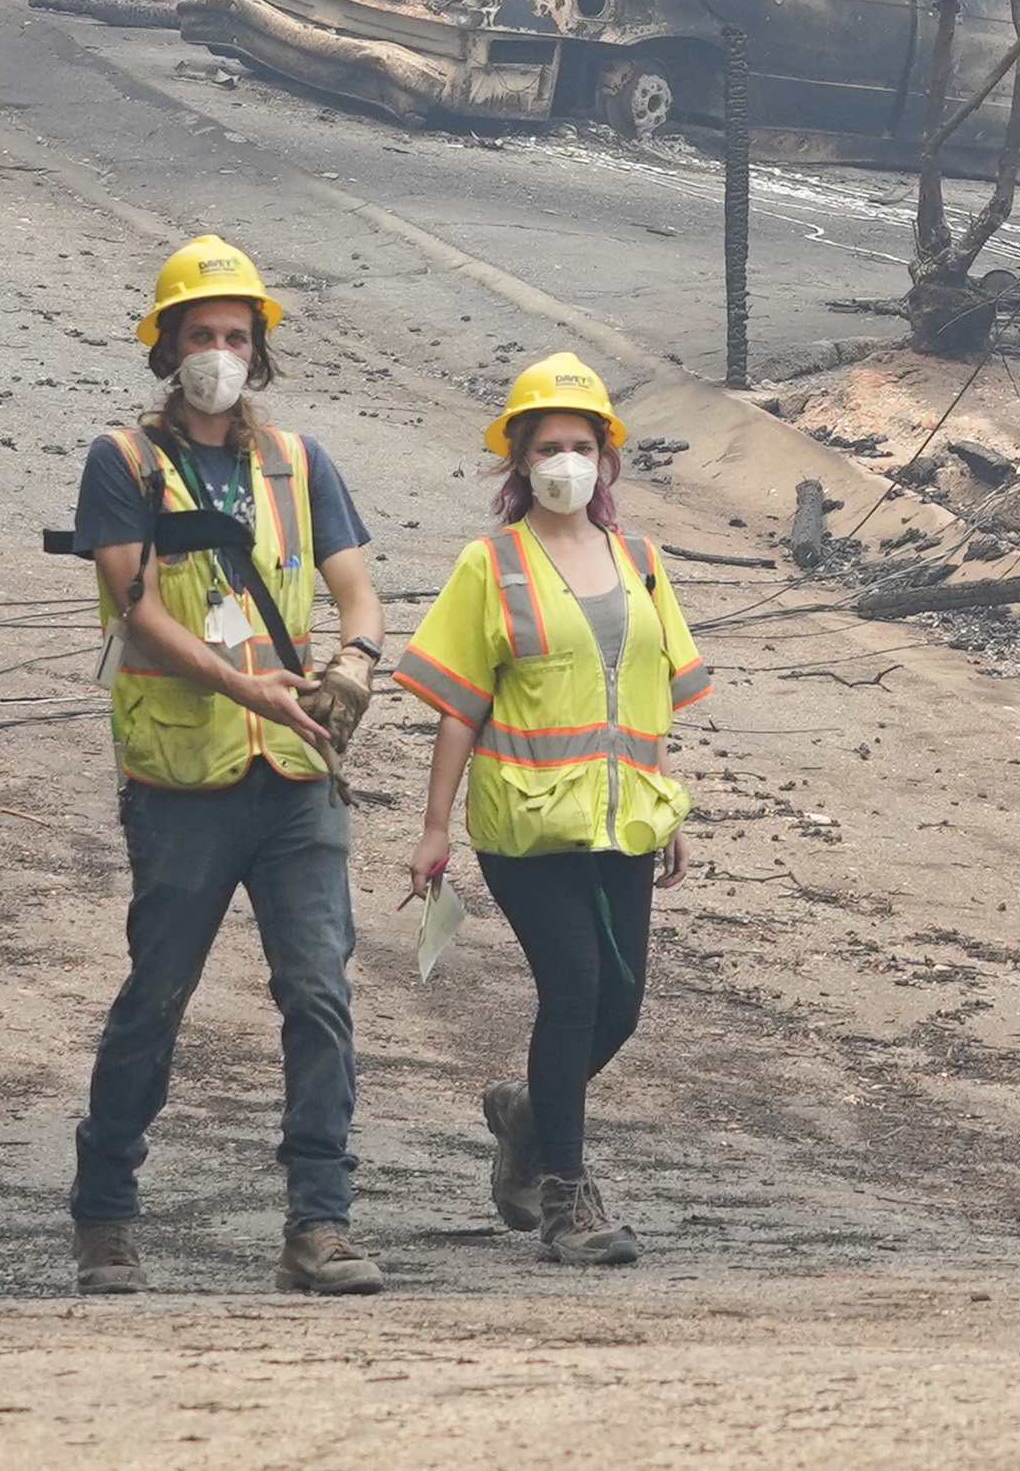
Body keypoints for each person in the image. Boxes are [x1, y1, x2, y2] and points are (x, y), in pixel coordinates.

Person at [65, 235, 390, 1300]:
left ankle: (320, 1227)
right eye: (199, 335)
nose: (218, 352)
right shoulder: (124, 463)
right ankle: (105, 1212)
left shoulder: (299, 464)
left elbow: (357, 589)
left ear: (260, 351)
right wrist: (257, 691)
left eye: (235, 336)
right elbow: (141, 615)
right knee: (157, 995)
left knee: (319, 995)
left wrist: (357, 661)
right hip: (183, 780)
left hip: (294, 778)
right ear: (165, 349)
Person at [393, 352, 711, 1268]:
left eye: (580, 445)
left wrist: (666, 806)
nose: (564, 462)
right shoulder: (487, 564)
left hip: (623, 820)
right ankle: (566, 1194)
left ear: (604, 459)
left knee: (620, 1006)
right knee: (572, 994)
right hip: (526, 823)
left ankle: (525, 1115)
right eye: (547, 447)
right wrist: (432, 826)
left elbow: (642, 692)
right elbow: (460, 705)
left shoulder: (641, 561)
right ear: (518, 463)